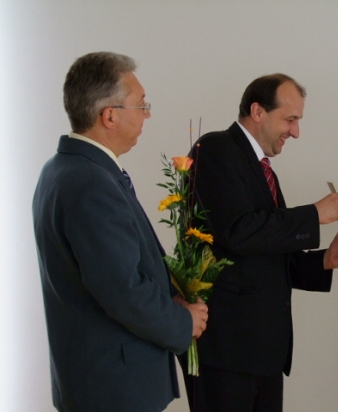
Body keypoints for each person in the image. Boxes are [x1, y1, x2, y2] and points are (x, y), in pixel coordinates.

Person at [32, 52, 208, 412]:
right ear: (109, 115)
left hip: (97, 378)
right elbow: (122, 290)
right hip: (113, 386)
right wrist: (182, 321)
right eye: (141, 105)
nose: (147, 115)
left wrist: (170, 297)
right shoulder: (90, 182)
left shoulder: (63, 168)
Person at [181, 73, 338, 412]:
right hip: (227, 349)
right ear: (258, 111)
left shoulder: (265, 170)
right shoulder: (215, 148)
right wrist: (313, 215)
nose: (296, 132)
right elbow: (237, 230)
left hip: (262, 352)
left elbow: (267, 251)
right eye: (290, 119)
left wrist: (324, 260)